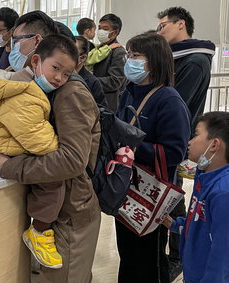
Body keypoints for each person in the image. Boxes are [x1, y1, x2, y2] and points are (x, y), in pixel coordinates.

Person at [0, 10, 101, 283]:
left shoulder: (70, 93)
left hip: (70, 214)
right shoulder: (39, 87)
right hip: (51, 210)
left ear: (36, 42)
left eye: (17, 38)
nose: (11, 45)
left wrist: (8, 166)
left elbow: (72, 161)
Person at [0, 34, 78, 269]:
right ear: (36, 61)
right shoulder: (25, 94)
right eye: (55, 68)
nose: (59, 78)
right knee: (52, 180)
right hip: (4, 145)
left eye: (66, 74)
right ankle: (39, 231)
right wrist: (61, 142)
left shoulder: (12, 82)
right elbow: (41, 143)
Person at [115, 32, 191, 283]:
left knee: (149, 259)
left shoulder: (169, 100)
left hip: (151, 192)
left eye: (136, 56)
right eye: (129, 55)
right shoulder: (129, 91)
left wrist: (134, 148)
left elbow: (175, 152)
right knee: (127, 253)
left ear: (154, 61)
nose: (130, 61)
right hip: (125, 187)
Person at [156, 7, 216, 279]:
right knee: (170, 193)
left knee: (173, 194)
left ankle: (178, 255)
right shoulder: (179, 57)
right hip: (171, 135)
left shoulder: (194, 60)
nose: (160, 32)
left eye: (163, 26)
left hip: (177, 137)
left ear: (181, 24)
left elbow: (175, 101)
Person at [162, 111, 229, 283]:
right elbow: (200, 224)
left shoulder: (223, 193)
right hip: (193, 272)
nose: (189, 142)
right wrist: (173, 223)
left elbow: (222, 257)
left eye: (196, 135)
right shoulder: (204, 175)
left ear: (214, 144)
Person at [93, 13, 127, 112]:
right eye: (99, 28)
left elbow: (115, 81)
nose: (100, 31)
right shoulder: (98, 49)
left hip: (107, 104)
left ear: (115, 32)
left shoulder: (118, 52)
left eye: (105, 28)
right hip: (94, 99)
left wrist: (91, 81)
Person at [75, 36, 107, 105]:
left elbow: (102, 111)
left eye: (72, 52)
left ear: (82, 58)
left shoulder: (92, 82)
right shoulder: (61, 76)